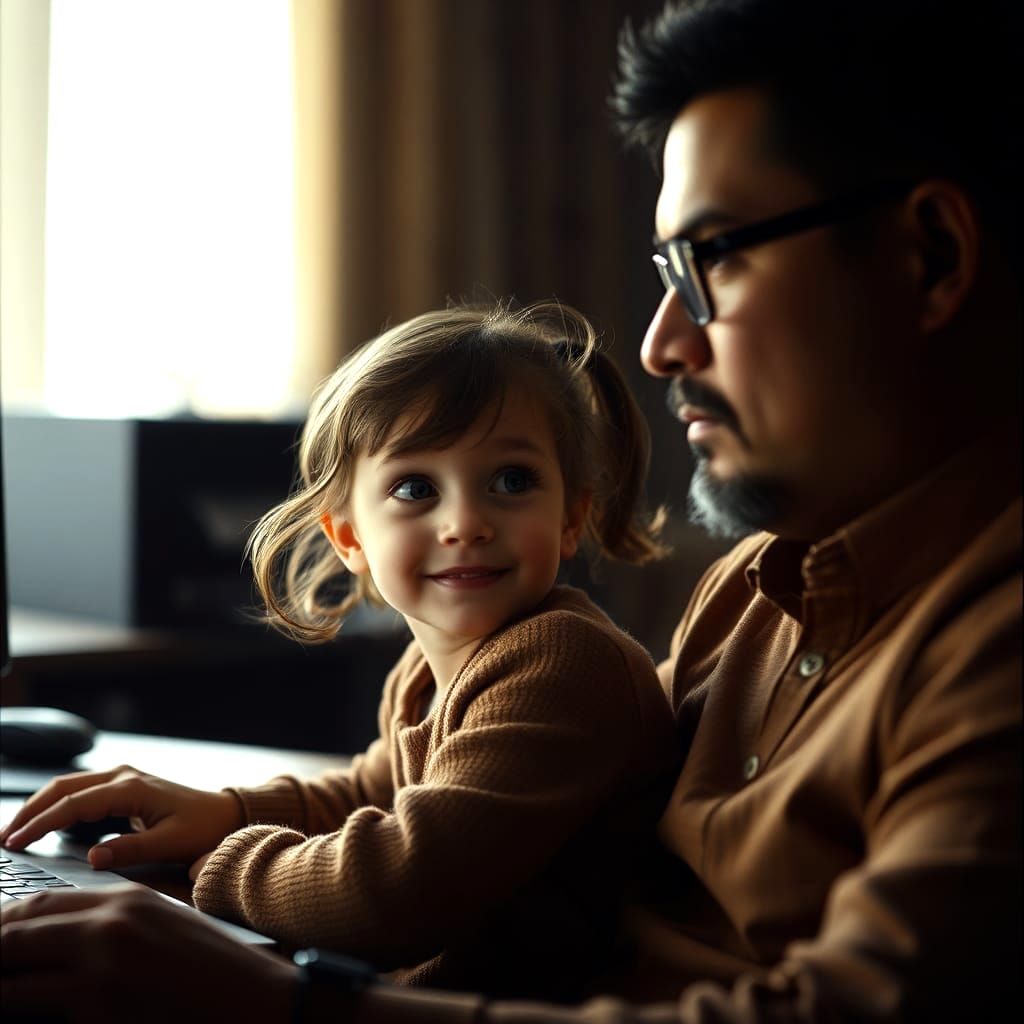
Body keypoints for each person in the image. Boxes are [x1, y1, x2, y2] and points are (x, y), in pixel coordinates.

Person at [2, 0, 1021, 1021]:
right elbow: (401, 786)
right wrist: (219, 814)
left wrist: (269, 986)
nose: (664, 343)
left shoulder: (986, 642)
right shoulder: (751, 590)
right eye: (666, 272)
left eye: (713, 258)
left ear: (928, 255)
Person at [0, 302, 676, 1001]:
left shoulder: (561, 662)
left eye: (511, 481)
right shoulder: (427, 669)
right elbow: (366, 793)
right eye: (415, 488)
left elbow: (399, 888)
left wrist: (214, 860)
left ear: (571, 516)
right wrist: (225, 809)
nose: (466, 523)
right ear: (349, 538)